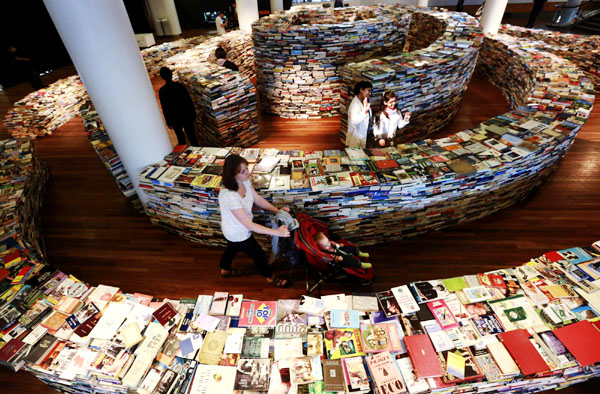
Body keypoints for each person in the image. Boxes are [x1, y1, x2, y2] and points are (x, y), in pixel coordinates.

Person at [218, 154, 290, 287]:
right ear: (233, 175)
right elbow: (248, 225)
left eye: (247, 168)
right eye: (243, 171)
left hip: (234, 229)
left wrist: (277, 210)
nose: (248, 173)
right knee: (259, 255)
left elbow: (256, 199)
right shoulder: (229, 196)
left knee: (232, 248)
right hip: (237, 232)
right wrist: (277, 232)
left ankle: (224, 269)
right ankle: (268, 276)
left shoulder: (244, 181)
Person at [158, 67, 199, 147]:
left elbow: (165, 107)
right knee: (192, 136)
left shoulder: (162, 91)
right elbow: (188, 101)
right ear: (171, 74)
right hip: (186, 115)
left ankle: (183, 155)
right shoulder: (180, 86)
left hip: (174, 118)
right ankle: (197, 152)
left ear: (162, 77)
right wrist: (193, 114)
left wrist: (168, 121)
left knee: (180, 138)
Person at [346, 81, 372, 148]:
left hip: (365, 136)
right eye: (368, 91)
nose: (370, 93)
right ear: (361, 90)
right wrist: (365, 112)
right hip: (356, 138)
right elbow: (354, 121)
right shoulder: (355, 105)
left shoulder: (365, 101)